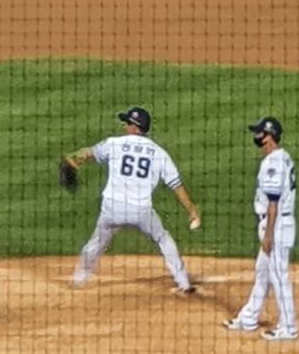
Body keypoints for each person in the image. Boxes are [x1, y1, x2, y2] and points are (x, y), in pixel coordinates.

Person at [63, 106, 201, 291]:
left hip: (112, 208)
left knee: (96, 243)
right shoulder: (159, 153)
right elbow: (176, 186)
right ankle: (183, 282)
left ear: (135, 127)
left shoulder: (114, 144)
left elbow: (87, 154)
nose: (124, 125)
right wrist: (191, 210)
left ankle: (79, 280)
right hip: (141, 211)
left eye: (127, 122)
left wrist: (71, 159)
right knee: (163, 239)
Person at [223, 117, 298, 341]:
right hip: (277, 223)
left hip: (277, 225)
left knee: (278, 275)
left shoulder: (273, 162)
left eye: (259, 133)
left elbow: (273, 203)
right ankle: (248, 318)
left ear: (269, 136)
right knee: (262, 271)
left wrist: (268, 236)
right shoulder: (283, 157)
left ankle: (289, 327)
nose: (256, 137)